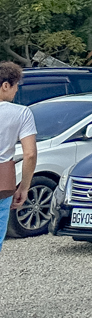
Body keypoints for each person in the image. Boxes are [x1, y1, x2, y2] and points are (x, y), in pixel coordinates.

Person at [0, 61, 39, 257]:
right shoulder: (21, 113)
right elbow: (30, 154)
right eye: (15, 86)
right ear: (5, 85)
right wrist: (24, 187)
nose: (16, 91)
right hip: (2, 182)